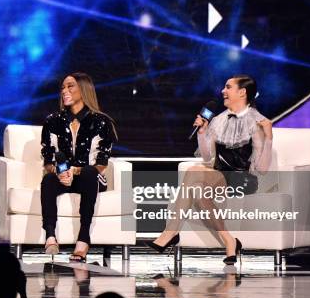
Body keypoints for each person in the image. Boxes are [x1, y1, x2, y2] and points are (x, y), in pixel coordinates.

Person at [147, 75, 273, 264]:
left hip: (242, 178)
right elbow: (207, 157)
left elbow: (263, 169)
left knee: (193, 173)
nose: (223, 91)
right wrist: (203, 132)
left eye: (228, 87)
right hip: (219, 175)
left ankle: (170, 232)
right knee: (196, 186)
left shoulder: (257, 122)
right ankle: (229, 241)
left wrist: (269, 138)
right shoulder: (220, 119)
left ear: (242, 92)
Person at [40, 72, 117, 262]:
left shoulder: (101, 121)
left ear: (83, 89)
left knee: (90, 174)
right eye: (63, 88)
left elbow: (100, 164)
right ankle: (50, 236)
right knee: (48, 180)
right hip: (63, 176)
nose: (64, 91)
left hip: (90, 177)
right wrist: (59, 172)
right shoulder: (52, 121)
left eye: (70, 86)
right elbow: (49, 161)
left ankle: (83, 239)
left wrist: (75, 171)